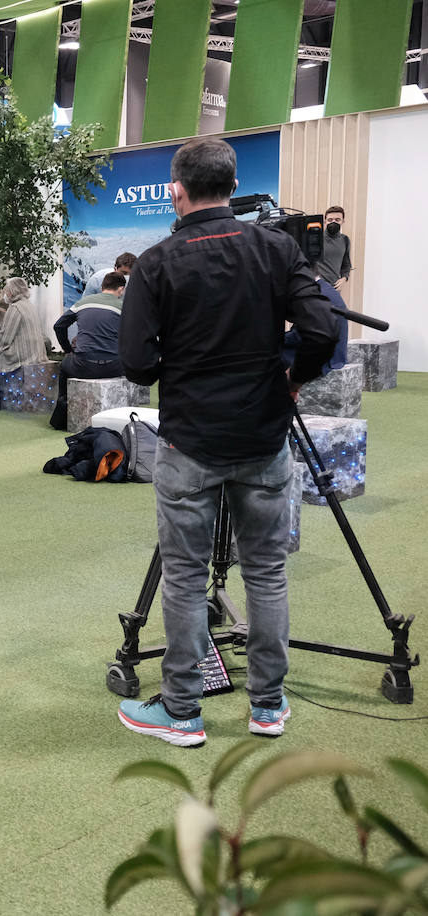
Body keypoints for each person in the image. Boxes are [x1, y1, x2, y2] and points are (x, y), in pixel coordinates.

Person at [117, 137, 336, 747]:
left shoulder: (157, 262)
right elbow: (321, 329)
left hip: (191, 441)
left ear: (175, 191)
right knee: (266, 573)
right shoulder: (276, 248)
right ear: (233, 188)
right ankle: (267, 706)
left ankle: (182, 712)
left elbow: (135, 363)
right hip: (264, 437)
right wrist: (292, 379)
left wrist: (182, 361)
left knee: (184, 578)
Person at [48, 271, 127, 431]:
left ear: (102, 287)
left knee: (64, 367)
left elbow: (59, 325)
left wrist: (68, 349)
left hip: (82, 366)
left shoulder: (83, 303)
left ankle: (61, 416)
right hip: (114, 367)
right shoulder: (124, 307)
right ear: (121, 289)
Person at [0, 277, 50, 411]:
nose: (5, 293)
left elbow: (6, 336)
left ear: (12, 292)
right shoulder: (28, 305)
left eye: (6, 290)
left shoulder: (15, 308)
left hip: (22, 354)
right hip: (34, 351)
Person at [315, 206, 352, 292]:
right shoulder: (316, 238)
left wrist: (344, 278)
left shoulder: (345, 240)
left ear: (343, 221)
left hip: (334, 289)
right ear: (325, 221)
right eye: (330, 220)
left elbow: (346, 265)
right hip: (317, 289)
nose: (333, 222)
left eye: (337, 219)